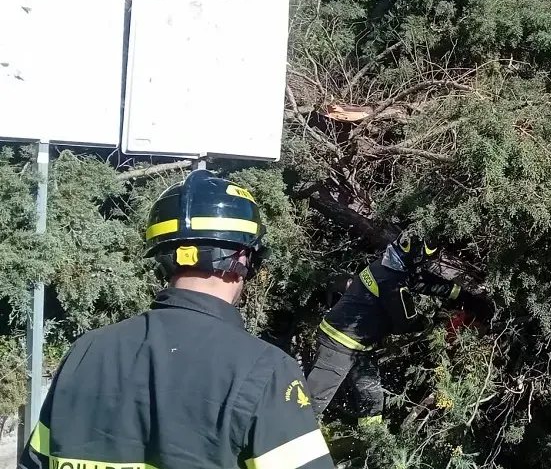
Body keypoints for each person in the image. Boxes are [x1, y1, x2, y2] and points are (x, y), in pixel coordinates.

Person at [19, 170, 334, 469]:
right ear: (243, 256)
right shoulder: (266, 370)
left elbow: (37, 461)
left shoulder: (85, 352)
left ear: (162, 255)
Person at [306, 234, 493, 422]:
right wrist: (431, 322)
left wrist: (460, 294)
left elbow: (419, 283)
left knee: (372, 401)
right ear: (416, 257)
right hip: (338, 344)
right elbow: (405, 323)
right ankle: (287, 437)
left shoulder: (386, 267)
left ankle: (373, 440)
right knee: (314, 401)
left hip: (360, 348)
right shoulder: (393, 285)